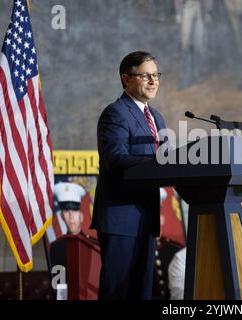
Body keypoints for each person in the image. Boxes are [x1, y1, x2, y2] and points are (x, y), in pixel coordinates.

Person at [91, 51, 167, 300]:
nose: (153, 81)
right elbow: (116, 159)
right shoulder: (115, 113)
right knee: (119, 292)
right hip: (121, 217)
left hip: (147, 217)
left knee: (141, 291)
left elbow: (165, 160)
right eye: (145, 75)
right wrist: (158, 163)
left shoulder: (156, 117)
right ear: (126, 78)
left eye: (156, 75)